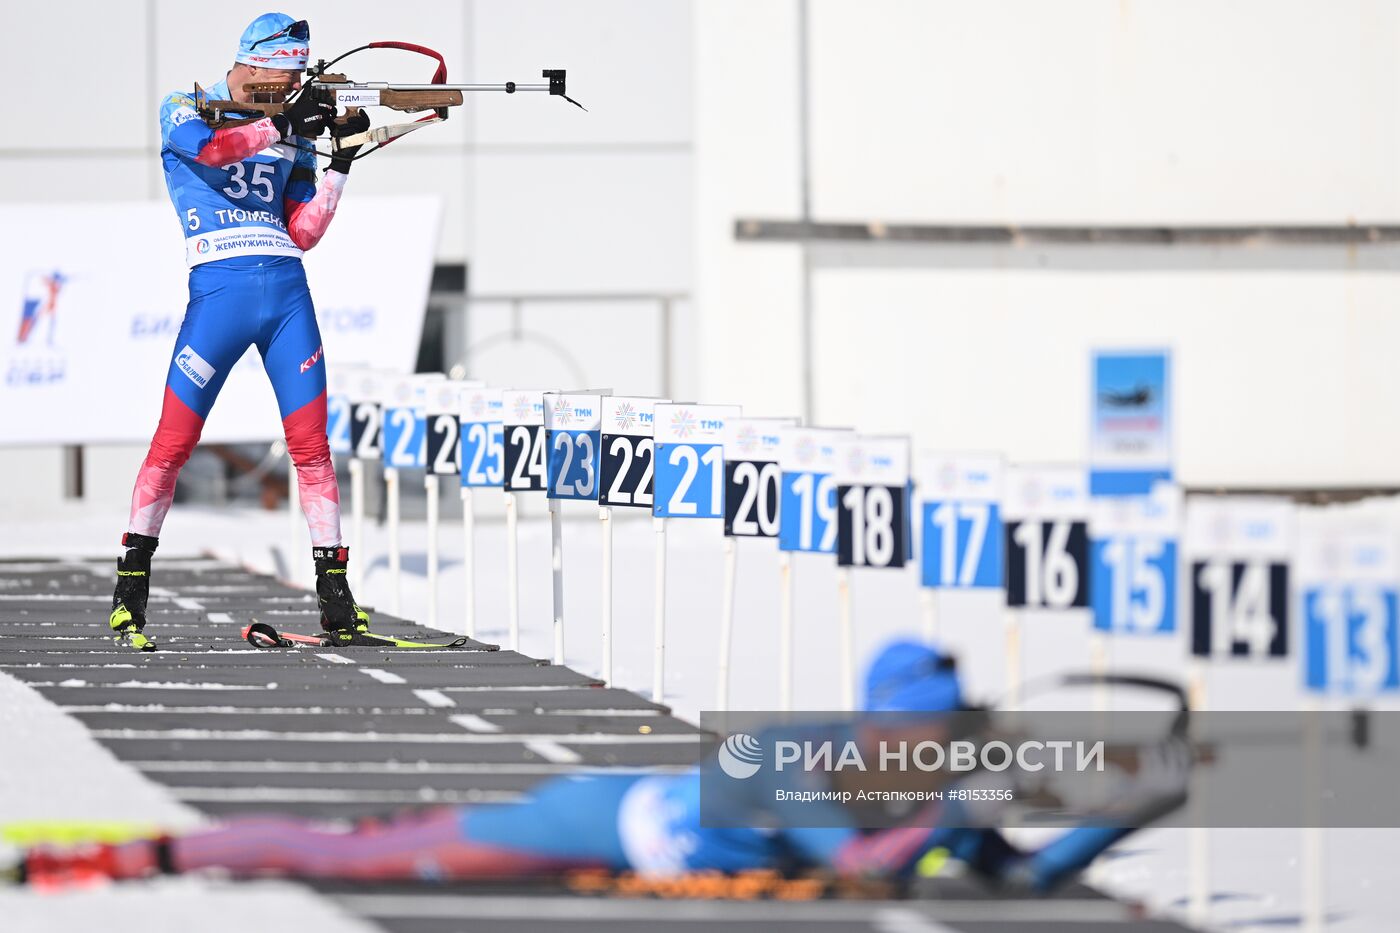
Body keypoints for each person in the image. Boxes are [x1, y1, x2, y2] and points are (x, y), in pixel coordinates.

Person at [19, 641, 1187, 892]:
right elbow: (869, 868)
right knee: (362, 858)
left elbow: (1018, 881)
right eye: (938, 731)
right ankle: (119, 857)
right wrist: (951, 806)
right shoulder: (788, 758)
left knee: (384, 842)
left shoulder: (909, 772)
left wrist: (1133, 811)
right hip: (598, 822)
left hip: (633, 826)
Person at [110, 13, 370, 651]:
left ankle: (337, 601)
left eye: (297, 77)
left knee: (312, 448)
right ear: (250, 62)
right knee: (173, 445)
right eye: (282, 73)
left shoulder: (290, 124)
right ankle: (129, 595)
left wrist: (338, 161)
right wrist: (284, 123)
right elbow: (212, 150)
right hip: (219, 293)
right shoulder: (187, 105)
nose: (290, 84)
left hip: (286, 295)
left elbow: (303, 232)